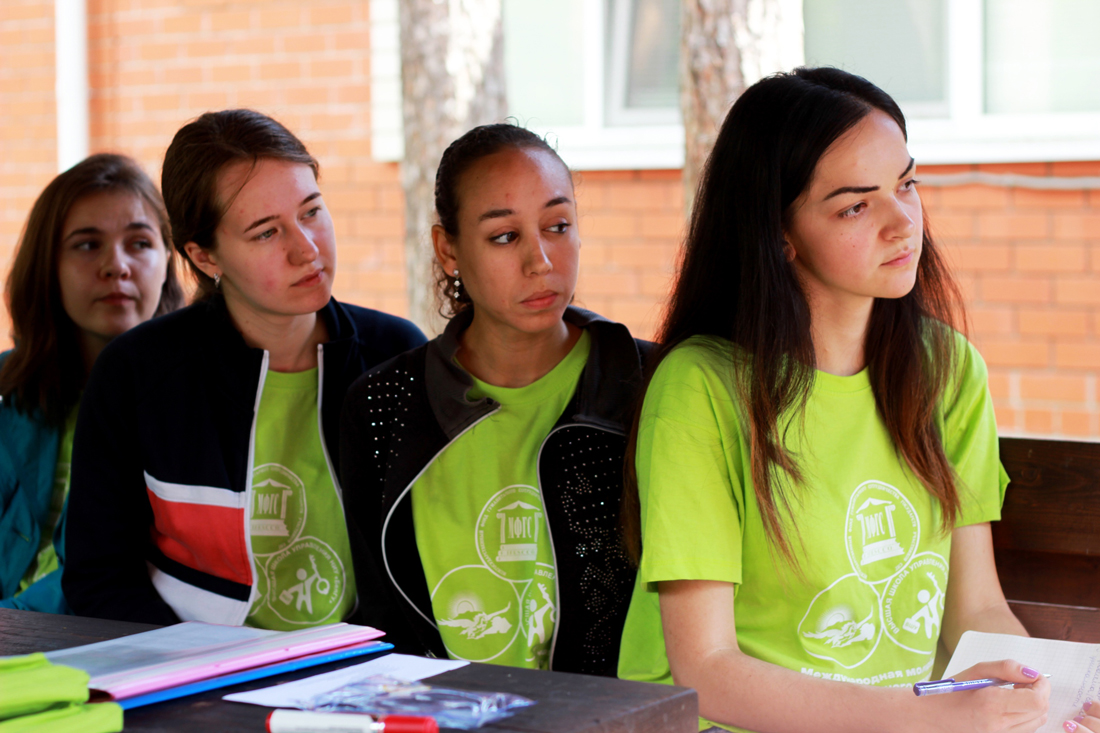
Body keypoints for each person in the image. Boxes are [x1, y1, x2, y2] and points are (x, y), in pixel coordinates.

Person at [616, 67, 1052, 732]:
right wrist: (929, 716)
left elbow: (978, 609)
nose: (902, 221)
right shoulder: (700, 386)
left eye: (906, 184)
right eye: (856, 205)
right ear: (779, 233)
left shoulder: (947, 368)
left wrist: (1038, 695)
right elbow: (704, 669)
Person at [62, 110, 426, 627]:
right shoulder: (136, 374)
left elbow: (419, 561)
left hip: (365, 674)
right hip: (196, 681)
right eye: (265, 232)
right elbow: (99, 576)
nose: (306, 248)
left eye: (312, 211)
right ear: (205, 256)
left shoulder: (397, 354)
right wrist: (194, 675)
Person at [339, 123, 646, 676]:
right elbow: (381, 620)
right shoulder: (384, 405)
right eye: (504, 237)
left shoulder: (649, 383)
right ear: (448, 250)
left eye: (557, 226)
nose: (541, 261)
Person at [0, 153, 183, 613]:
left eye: (139, 243)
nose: (116, 266)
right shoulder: (8, 389)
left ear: (168, 260)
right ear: (48, 266)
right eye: (87, 245)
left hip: (109, 647)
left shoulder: (200, 399)